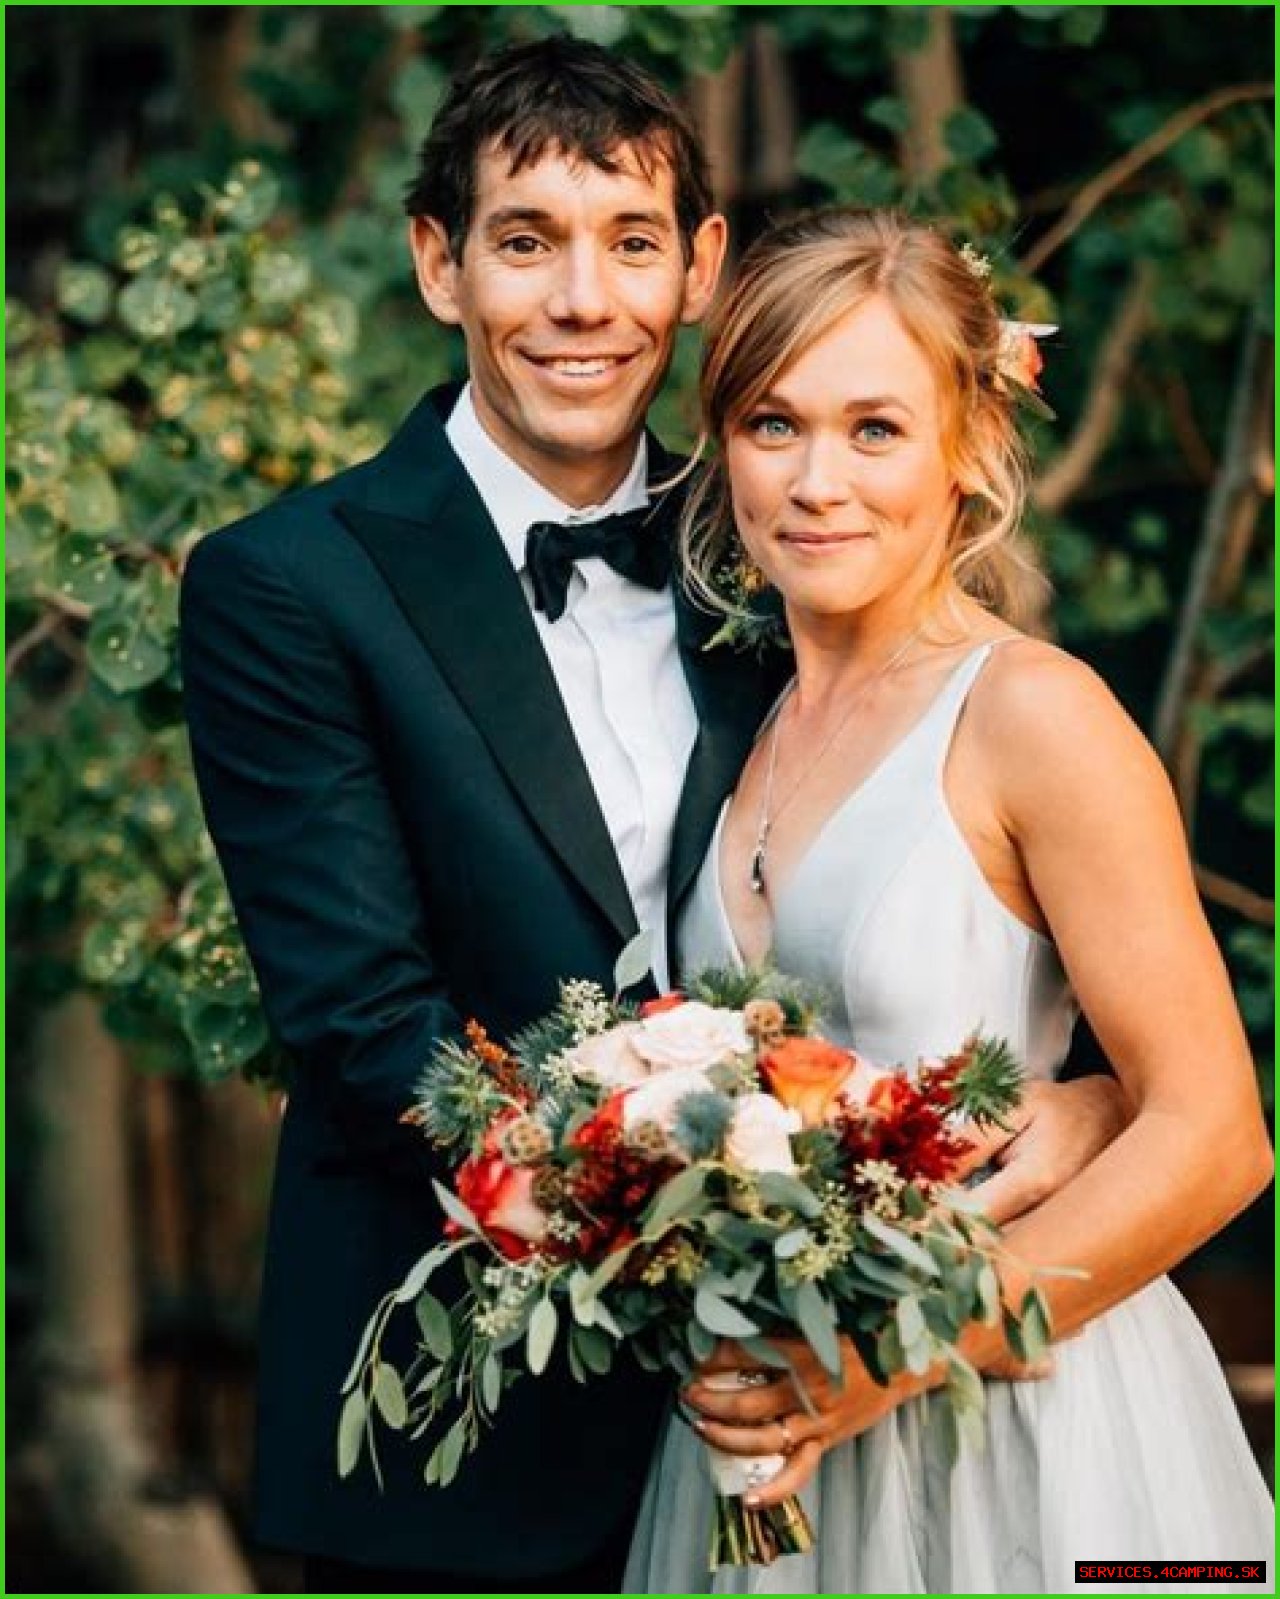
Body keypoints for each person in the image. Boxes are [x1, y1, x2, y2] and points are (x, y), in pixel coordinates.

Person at [181, 41, 1128, 1594]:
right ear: (439, 263)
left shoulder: (779, 526)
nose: (581, 301)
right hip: (462, 1435)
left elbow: (950, 879)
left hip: (829, 1408)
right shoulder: (290, 585)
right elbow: (366, 1021)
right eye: (525, 241)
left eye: (630, 243)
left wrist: (1082, 1103)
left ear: (697, 271)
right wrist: (690, 1228)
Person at [625, 208, 1275, 1594]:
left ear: (969, 450)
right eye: (771, 423)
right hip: (775, 1436)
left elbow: (1219, 1136)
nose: (816, 481)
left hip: (1029, 1426)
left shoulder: (1035, 714)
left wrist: (887, 1357)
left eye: (875, 429)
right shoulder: (740, 729)